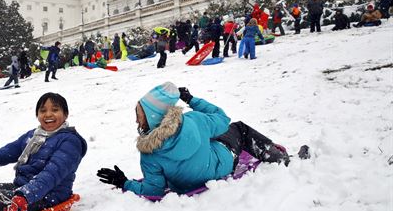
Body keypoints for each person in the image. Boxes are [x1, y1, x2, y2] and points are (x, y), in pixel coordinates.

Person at [96, 82, 289, 197]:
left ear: (153, 117)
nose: (136, 119)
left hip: (186, 184)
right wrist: (191, 99)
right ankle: (278, 157)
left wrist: (124, 183)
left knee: (211, 135)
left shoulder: (149, 153)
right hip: (221, 165)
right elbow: (222, 119)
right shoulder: (194, 120)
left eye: (139, 115)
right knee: (238, 128)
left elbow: (153, 189)